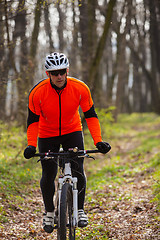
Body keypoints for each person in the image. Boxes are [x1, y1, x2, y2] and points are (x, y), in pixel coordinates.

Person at [24, 52, 111, 233]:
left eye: (62, 72)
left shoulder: (80, 88)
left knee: (78, 168)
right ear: (48, 74)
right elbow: (32, 122)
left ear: (67, 70)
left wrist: (99, 141)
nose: (59, 76)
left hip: (72, 131)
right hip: (47, 134)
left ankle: (79, 209)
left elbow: (91, 116)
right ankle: (49, 212)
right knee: (48, 172)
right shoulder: (37, 93)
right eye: (55, 73)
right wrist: (31, 144)